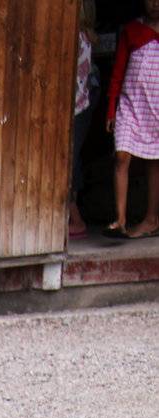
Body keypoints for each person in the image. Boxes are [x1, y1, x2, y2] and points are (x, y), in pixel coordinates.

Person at [104, 0, 159, 240]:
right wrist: (111, 109)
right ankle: (121, 220)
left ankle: (151, 219)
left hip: (156, 107)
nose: (155, 4)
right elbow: (117, 71)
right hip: (131, 104)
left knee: (154, 162)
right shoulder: (132, 31)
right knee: (121, 155)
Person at [70, 2, 99, 237]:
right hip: (80, 106)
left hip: (75, 107)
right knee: (71, 159)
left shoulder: (78, 38)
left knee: (66, 162)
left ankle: (76, 220)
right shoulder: (86, 37)